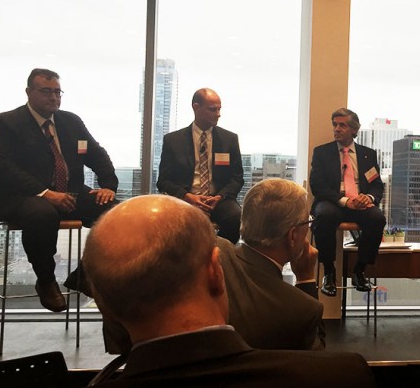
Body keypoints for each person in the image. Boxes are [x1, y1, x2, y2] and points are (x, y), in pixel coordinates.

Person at [83, 195, 376, 387]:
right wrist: (305, 281)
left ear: (105, 304)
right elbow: (313, 352)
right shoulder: (344, 376)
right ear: (215, 272)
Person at [0, 68, 117, 312]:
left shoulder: (71, 122)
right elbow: (4, 170)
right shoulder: (5, 123)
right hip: (22, 197)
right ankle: (46, 282)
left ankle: (85, 274)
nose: (54, 97)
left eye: (58, 92)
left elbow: (97, 154)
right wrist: (47, 194)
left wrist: (108, 185)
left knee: (119, 214)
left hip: (70, 194)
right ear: (29, 92)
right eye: (46, 91)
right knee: (42, 213)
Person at [221, 178, 325, 350]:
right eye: (308, 221)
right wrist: (306, 280)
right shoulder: (301, 309)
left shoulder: (215, 251)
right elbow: (316, 358)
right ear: (293, 236)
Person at [309, 108, 386, 296]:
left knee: (377, 218)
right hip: (332, 201)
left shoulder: (368, 154)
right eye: (335, 124)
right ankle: (329, 271)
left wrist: (368, 198)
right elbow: (317, 186)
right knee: (325, 216)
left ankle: (359, 271)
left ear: (354, 129)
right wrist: (344, 200)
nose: (336, 129)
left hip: (360, 202)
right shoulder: (322, 152)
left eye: (342, 125)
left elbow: (377, 184)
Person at [157, 88, 244, 243]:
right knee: (171, 224)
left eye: (219, 109)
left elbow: (237, 179)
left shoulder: (229, 139)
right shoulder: (173, 140)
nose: (218, 114)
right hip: (185, 199)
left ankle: (218, 254)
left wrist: (220, 196)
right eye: (212, 109)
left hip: (219, 200)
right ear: (196, 107)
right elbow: (163, 181)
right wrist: (187, 196)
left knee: (236, 218)